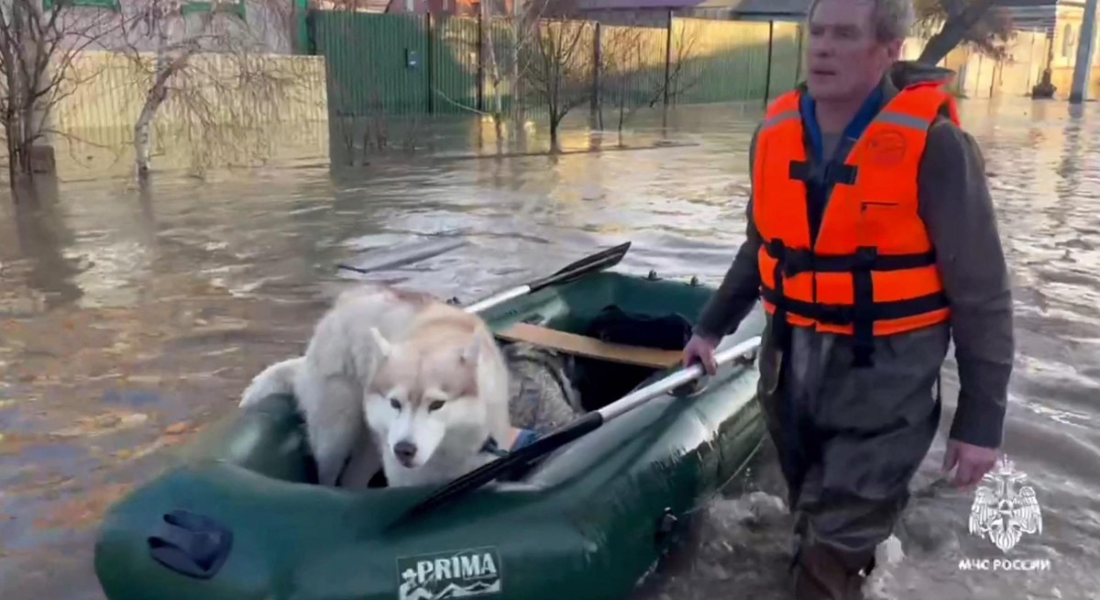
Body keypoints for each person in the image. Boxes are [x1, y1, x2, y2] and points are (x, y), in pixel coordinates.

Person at [681, 0, 1015, 598]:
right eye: (817, 33)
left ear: (889, 50)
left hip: (886, 385)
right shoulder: (774, 134)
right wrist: (709, 329)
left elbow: (983, 295)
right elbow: (762, 246)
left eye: (844, 34)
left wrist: (981, 420)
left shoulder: (937, 149)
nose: (823, 47)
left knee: (827, 559)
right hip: (790, 373)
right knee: (806, 516)